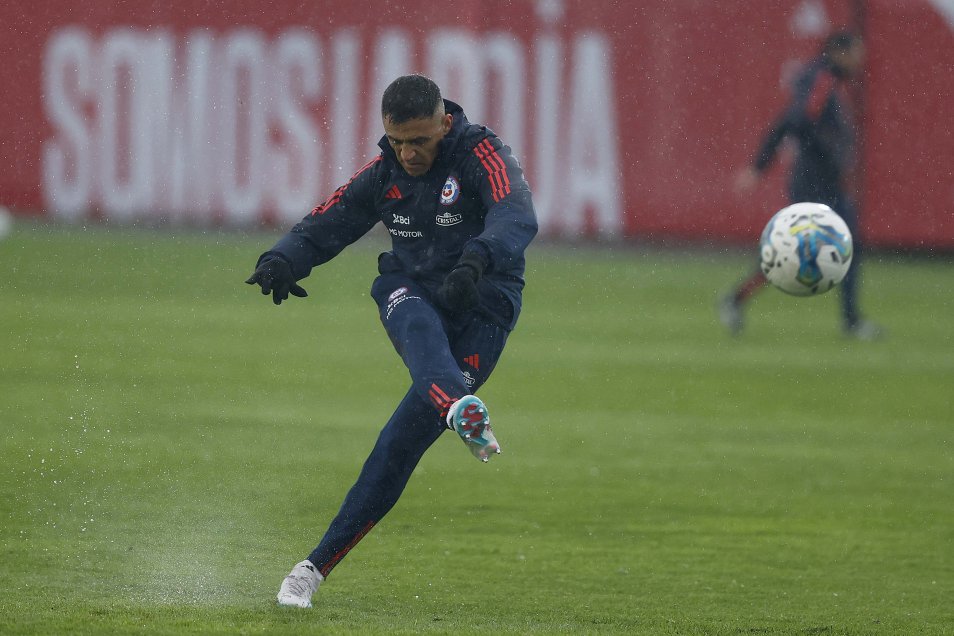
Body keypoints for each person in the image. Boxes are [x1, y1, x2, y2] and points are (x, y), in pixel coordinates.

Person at [245, 74, 538, 608]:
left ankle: (313, 567)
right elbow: (329, 220)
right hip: (413, 287)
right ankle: (461, 412)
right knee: (410, 314)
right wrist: (284, 257)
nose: (408, 153)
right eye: (398, 141)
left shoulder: (483, 154)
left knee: (397, 446)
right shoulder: (385, 174)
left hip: (483, 304)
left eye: (420, 141)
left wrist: (477, 258)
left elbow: (517, 213)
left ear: (445, 122)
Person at [719, 30, 881, 340]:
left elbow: (793, 121)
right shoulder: (821, 80)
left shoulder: (824, 80)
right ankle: (736, 298)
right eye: (854, 54)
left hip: (825, 182)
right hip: (815, 183)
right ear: (837, 52)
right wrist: (761, 165)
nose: (859, 61)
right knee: (799, 252)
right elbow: (795, 121)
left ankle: (852, 321)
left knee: (840, 247)